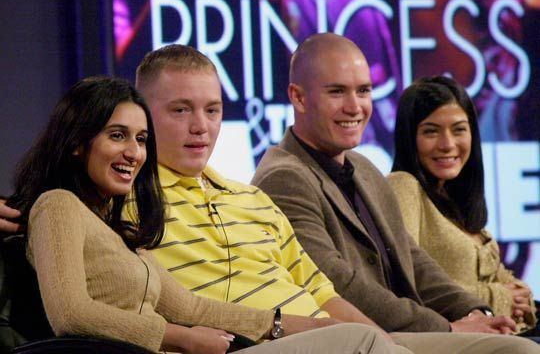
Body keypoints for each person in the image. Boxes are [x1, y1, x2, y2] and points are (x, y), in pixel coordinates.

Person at [5, 76, 401, 354]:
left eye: (141, 139)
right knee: (360, 344)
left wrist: (295, 325)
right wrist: (182, 339)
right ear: (76, 143)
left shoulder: (120, 231)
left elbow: (193, 308)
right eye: (117, 135)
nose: (134, 153)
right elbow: (71, 316)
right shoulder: (57, 206)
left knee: (353, 338)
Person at [252, 32, 540, 353]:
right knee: (522, 352)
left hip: (411, 330)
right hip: (364, 338)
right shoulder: (284, 177)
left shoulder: (364, 166)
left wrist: (474, 311)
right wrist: (445, 327)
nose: (354, 107)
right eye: (337, 92)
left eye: (363, 91)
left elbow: (414, 260)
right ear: (298, 97)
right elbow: (337, 283)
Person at [387, 75, 537, 334]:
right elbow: (403, 283)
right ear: (409, 138)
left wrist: (520, 296)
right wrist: (500, 297)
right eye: (431, 131)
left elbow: (502, 281)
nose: (447, 145)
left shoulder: (454, 199)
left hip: (508, 335)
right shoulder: (403, 186)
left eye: (459, 129)